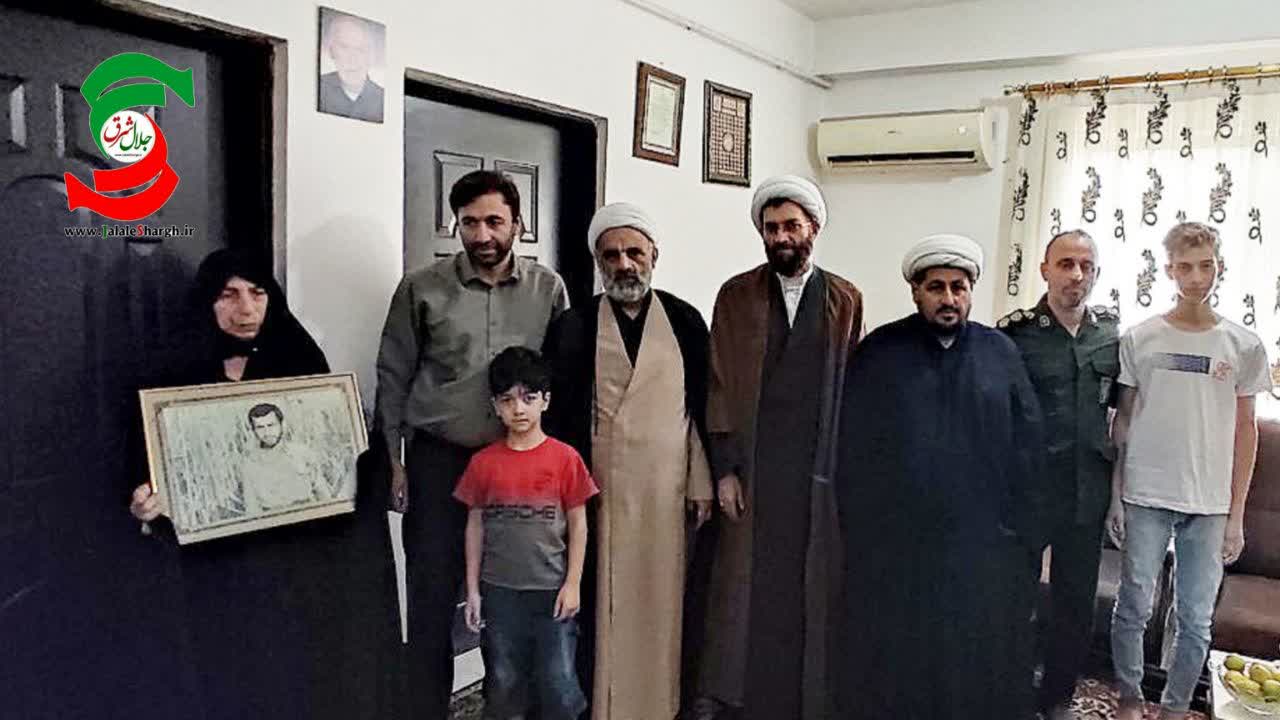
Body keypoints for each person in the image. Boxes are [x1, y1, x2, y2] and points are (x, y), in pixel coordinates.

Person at [128, 248, 401, 720]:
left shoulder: (299, 358)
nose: (246, 309)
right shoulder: (171, 371)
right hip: (216, 571)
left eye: (257, 293)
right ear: (207, 301)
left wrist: (362, 458)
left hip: (294, 568)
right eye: (229, 295)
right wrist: (144, 500)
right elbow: (143, 461)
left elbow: (342, 455)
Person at [376, 169, 569, 719]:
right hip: (440, 465)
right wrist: (393, 461)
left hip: (516, 468)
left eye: (494, 222)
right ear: (455, 224)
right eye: (470, 223)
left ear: (518, 225)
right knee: (432, 599)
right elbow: (393, 374)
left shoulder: (548, 289)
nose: (482, 235)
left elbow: (561, 377)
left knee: (509, 601)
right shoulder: (421, 288)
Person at [836, 234, 1049, 720]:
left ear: (971, 292)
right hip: (900, 549)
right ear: (916, 291)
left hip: (981, 548)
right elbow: (855, 449)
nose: (948, 298)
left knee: (972, 658)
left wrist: (1024, 534)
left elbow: (1028, 446)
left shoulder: (1000, 353)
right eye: (936, 287)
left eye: (958, 287)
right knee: (900, 657)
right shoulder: (880, 351)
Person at [695, 175, 863, 720]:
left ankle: (808, 697)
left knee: (808, 583)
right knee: (749, 586)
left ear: (813, 228)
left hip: (817, 470)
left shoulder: (845, 299)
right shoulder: (735, 295)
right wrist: (725, 470)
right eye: (772, 228)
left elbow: (852, 387)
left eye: (792, 225)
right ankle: (741, 694)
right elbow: (719, 384)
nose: (782, 237)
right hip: (754, 467)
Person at [542, 203, 713, 720]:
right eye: (611, 255)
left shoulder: (685, 321)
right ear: (598, 262)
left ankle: (665, 705)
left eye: (634, 252)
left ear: (654, 255)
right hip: (602, 492)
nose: (624, 264)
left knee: (665, 600)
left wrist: (702, 479)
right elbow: (558, 419)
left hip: (668, 489)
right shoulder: (572, 326)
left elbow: (704, 407)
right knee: (605, 602)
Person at [1107, 222, 1272, 720]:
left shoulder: (1243, 344)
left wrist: (1236, 515)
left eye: (1206, 266)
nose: (1196, 277)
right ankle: (1130, 696)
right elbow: (1123, 421)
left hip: (1209, 503)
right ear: (1168, 270)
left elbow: (1246, 432)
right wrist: (1116, 496)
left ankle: (1176, 707)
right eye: (1185, 267)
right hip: (1145, 494)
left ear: (1220, 267)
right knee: (1133, 606)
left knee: (1196, 619)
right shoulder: (1140, 338)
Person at [997, 229, 1120, 719]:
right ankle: (1008, 691)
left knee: (1075, 604)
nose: (1076, 274)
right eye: (1066, 264)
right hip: (1028, 488)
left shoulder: (1110, 335)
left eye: (1086, 266)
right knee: (1013, 597)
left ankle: (1058, 697)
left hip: (1087, 489)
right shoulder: (1015, 335)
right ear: (1045, 270)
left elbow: (1124, 409)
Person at [455, 347, 598, 720]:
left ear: (545, 401)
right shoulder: (482, 464)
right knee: (504, 680)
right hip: (499, 593)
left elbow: (579, 524)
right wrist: (473, 590)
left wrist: (573, 583)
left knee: (559, 681)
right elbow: (474, 526)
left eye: (528, 398)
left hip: (552, 591)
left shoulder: (566, 459)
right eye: (507, 400)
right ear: (495, 406)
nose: (518, 409)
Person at [241, 403, 338, 514]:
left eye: (271, 425)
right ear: (253, 430)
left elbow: (323, 493)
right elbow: (252, 508)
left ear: (282, 425)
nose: (267, 432)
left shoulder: (302, 453)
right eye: (260, 427)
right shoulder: (250, 465)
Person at [318, 13, 384, 122]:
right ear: (332, 51)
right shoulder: (321, 86)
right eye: (344, 47)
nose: (353, 58)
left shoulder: (382, 98)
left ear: (370, 55)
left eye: (360, 49)